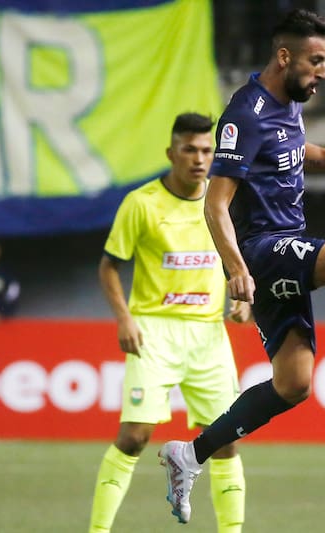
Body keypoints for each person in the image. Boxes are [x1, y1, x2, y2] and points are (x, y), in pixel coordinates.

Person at [157, 9, 325, 524]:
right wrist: (234, 269)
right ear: (285, 56)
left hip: (281, 251)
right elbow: (215, 203)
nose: (324, 72)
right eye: (317, 61)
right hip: (263, 248)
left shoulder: (287, 104)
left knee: (293, 383)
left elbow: (298, 152)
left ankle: (190, 455)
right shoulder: (244, 114)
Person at [88, 113, 248, 532]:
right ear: (171, 153)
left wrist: (244, 296)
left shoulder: (224, 202)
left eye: (206, 151)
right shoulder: (141, 203)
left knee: (226, 440)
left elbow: (241, 260)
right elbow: (109, 267)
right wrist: (124, 317)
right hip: (153, 329)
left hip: (209, 334)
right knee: (135, 436)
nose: (199, 159)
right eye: (190, 150)